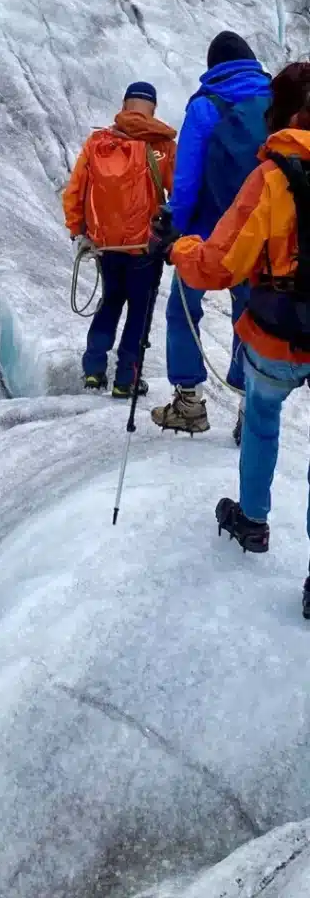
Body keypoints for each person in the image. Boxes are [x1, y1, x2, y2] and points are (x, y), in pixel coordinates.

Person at [148, 62, 310, 619]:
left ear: (282, 114)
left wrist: (177, 249)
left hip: (275, 330)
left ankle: (254, 518)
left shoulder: (271, 178)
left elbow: (220, 264)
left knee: (264, 417)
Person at [151, 31, 272, 438]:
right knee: (249, 317)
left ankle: (189, 402)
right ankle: (246, 405)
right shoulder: (275, 101)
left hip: (204, 234)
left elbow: (185, 182)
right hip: (255, 234)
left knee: (181, 310)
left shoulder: (206, 105)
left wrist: (173, 228)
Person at [63, 82, 177, 398]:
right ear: (152, 108)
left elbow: (75, 190)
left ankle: (94, 372)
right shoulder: (163, 147)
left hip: (105, 245)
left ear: (125, 104)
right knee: (139, 311)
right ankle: (127, 379)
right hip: (145, 247)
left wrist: (78, 230)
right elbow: (179, 193)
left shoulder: (97, 142)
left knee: (111, 302)